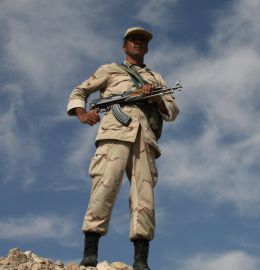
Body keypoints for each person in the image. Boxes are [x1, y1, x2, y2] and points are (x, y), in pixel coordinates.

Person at [66, 26, 179, 270]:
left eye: (143, 40)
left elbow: (172, 111)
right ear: (124, 46)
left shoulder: (156, 78)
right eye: (133, 39)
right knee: (103, 188)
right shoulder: (110, 70)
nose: (138, 43)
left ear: (147, 47)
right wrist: (82, 113)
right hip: (114, 135)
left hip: (145, 139)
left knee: (144, 198)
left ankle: (141, 260)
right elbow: (80, 91)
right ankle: (90, 254)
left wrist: (156, 98)